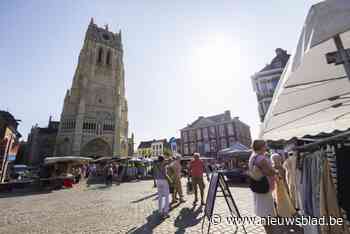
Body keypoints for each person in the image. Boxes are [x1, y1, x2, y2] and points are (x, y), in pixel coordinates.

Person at [248, 140, 278, 234]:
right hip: (264, 187)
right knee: (266, 212)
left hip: (257, 187)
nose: (266, 147)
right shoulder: (261, 158)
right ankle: (269, 231)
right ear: (261, 147)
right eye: (265, 145)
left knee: (262, 210)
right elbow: (269, 172)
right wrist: (276, 171)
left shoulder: (253, 156)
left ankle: (267, 229)